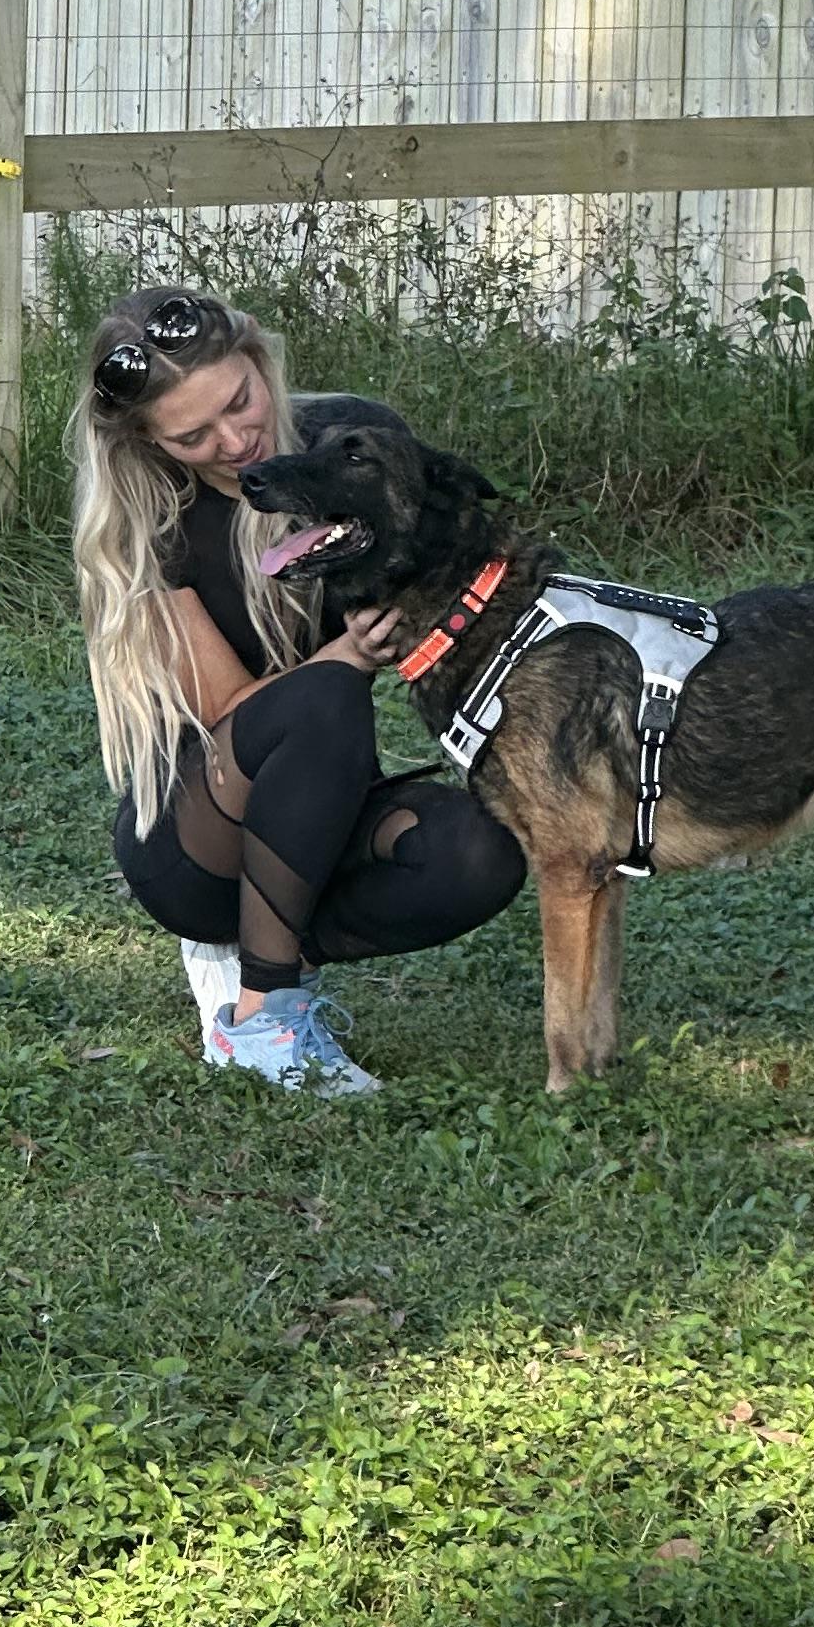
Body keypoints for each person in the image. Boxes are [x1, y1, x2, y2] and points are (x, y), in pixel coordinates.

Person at [71, 285, 527, 1095]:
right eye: (192, 435)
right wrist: (344, 659)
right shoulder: (152, 517)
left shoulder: (353, 438)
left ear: (257, 356)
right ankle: (262, 1013)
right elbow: (226, 711)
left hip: (322, 809)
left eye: (240, 403)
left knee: (483, 850)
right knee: (324, 697)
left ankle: (267, 947)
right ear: (150, 441)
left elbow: (451, 568)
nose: (234, 439)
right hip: (196, 838)